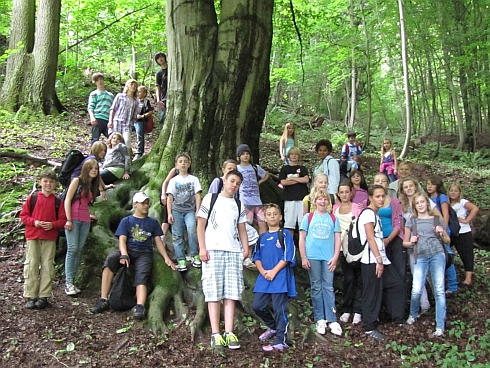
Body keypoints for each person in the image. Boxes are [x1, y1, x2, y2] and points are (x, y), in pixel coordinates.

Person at [90, 192, 176, 319]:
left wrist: (166, 258)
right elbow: (122, 240)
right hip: (129, 249)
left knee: (142, 275)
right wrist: (124, 254)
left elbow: (158, 241)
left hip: (144, 253)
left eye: (147, 203)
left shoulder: (152, 222)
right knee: (110, 260)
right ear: (135, 204)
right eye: (142, 203)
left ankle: (139, 306)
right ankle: (103, 299)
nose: (145, 206)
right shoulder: (127, 221)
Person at [197, 170, 249, 350]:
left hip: (233, 251)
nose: (234, 185)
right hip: (213, 250)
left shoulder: (238, 204)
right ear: (224, 180)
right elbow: (200, 225)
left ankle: (229, 332)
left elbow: (242, 228)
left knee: (231, 293)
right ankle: (215, 333)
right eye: (232, 181)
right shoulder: (210, 199)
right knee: (213, 292)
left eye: (238, 183)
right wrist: (202, 248)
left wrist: (245, 248)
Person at [359, 185, 405, 341]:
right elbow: (370, 238)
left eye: (382, 196)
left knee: (396, 284)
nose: (380, 199)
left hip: (381, 258)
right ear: (370, 198)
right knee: (371, 293)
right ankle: (369, 327)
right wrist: (378, 260)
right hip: (371, 260)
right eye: (377, 196)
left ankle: (396, 317)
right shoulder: (368, 214)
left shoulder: (376, 214)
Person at [403, 192, 449, 337]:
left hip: (437, 254)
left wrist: (442, 233)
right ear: (414, 206)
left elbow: (448, 241)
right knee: (416, 288)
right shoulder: (412, 221)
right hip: (420, 256)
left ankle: (440, 326)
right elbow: (405, 243)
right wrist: (412, 241)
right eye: (418, 203)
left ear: (427, 203)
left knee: (439, 289)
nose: (421, 205)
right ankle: (413, 314)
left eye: (423, 202)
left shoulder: (436, 219)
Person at [20, 169, 67, 309]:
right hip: (33, 235)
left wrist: (52, 224)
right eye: (45, 181)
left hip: (49, 237)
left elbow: (63, 220)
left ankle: (44, 295)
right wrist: (34, 222)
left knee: (48, 265)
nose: (48, 184)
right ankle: (31, 294)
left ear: (55, 184)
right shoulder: (33, 198)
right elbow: (23, 216)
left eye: (51, 182)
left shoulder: (58, 201)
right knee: (31, 264)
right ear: (40, 182)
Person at [252, 204, 296, 352]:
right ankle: (272, 327)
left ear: (280, 217)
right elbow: (256, 256)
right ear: (265, 217)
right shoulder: (262, 237)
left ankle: (280, 340)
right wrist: (263, 271)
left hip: (280, 277)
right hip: (264, 277)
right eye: (269, 214)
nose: (272, 216)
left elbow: (288, 256)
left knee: (279, 309)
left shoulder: (284, 235)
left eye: (275, 214)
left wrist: (274, 271)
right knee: (257, 305)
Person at [299, 190, 343, 337]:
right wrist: (304, 257)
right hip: (312, 257)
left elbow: (338, 238)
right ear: (314, 201)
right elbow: (302, 238)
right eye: (319, 199)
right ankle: (320, 318)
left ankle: (332, 319)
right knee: (316, 286)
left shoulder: (333, 218)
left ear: (329, 202)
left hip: (328, 257)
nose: (322, 202)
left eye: (325, 199)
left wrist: (336, 256)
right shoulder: (308, 217)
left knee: (328, 286)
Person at [64, 159, 105, 295]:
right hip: (73, 219)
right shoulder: (77, 181)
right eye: (91, 168)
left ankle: (73, 281)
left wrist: (89, 215)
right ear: (86, 169)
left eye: (96, 168)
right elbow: (68, 200)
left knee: (79, 249)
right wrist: (68, 219)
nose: (94, 170)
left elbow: (85, 203)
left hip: (85, 220)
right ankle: (68, 282)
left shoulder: (91, 184)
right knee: (72, 248)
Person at [373, 173, 407, 321]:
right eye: (377, 181)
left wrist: (388, 239)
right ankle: (383, 309)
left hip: (394, 241)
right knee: (382, 275)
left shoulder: (395, 202)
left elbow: (398, 224)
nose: (380, 183)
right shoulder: (371, 202)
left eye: (383, 181)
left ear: (388, 184)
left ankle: (399, 311)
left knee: (400, 274)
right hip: (377, 244)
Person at [333, 181, 362, 325]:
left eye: (346, 192)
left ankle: (358, 310)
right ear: (338, 194)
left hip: (355, 249)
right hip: (341, 248)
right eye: (341, 192)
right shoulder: (335, 208)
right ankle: (347, 309)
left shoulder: (357, 208)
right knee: (348, 278)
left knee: (358, 278)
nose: (344, 195)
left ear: (351, 193)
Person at [167, 153, 202, 271]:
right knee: (177, 235)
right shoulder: (173, 181)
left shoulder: (194, 179)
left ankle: (194, 255)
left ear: (189, 164)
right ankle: (181, 259)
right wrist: (169, 213)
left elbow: (197, 195)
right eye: (180, 161)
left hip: (189, 210)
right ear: (176, 164)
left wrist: (198, 210)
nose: (183, 163)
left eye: (185, 161)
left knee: (192, 230)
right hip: (176, 210)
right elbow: (170, 197)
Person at [426, 175, 458, 294]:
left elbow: (445, 215)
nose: (429, 186)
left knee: (447, 256)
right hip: (432, 230)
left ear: (437, 186)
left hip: (443, 230)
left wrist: (443, 230)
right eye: (428, 184)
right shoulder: (427, 198)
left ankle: (453, 285)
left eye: (432, 184)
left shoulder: (441, 197)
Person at [236, 143, 269, 237]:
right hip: (245, 201)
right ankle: (249, 244)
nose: (245, 156)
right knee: (247, 225)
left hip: (257, 201)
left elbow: (266, 174)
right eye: (243, 154)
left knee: (262, 222)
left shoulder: (255, 167)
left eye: (247, 153)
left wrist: (260, 182)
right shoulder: (237, 168)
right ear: (239, 156)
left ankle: (262, 243)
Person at [448, 184, 479, 286]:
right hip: (451, 232)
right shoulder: (446, 204)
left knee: (466, 254)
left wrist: (466, 220)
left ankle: (468, 278)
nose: (453, 192)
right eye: (451, 190)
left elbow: (475, 208)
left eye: (455, 191)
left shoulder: (462, 202)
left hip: (463, 231)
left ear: (459, 193)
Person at [278, 147, 309, 237]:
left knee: (302, 223)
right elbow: (283, 182)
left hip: (302, 198)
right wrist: (299, 179)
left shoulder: (303, 168)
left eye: (296, 154)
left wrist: (291, 179)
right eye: (292, 154)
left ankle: (302, 245)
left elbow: (306, 179)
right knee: (289, 224)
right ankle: (290, 246)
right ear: (288, 156)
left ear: (299, 156)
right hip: (289, 198)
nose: (294, 156)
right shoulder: (285, 169)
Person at [108, 79, 139, 147]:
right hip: (117, 122)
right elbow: (113, 109)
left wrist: (131, 123)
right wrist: (110, 121)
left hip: (127, 125)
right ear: (127, 85)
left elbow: (134, 115)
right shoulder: (120, 96)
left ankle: (127, 157)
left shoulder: (136, 101)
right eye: (131, 84)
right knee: (114, 142)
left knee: (126, 141)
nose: (133, 86)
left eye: (135, 85)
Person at [88, 73, 114, 145]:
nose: (100, 81)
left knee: (112, 138)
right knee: (95, 139)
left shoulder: (110, 95)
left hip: (107, 120)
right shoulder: (94, 94)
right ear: (95, 82)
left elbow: (113, 109)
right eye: (97, 80)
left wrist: (111, 120)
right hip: (98, 118)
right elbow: (91, 107)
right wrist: (92, 118)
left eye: (101, 79)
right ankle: (93, 155)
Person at [312, 139, 340, 205]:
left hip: (327, 195)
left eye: (325, 150)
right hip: (318, 194)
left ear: (329, 151)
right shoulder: (320, 163)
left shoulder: (332, 162)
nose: (322, 152)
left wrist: (332, 196)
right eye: (320, 150)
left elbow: (335, 179)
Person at [133, 86, 153, 160]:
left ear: (144, 94)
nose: (138, 93)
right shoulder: (134, 100)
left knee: (139, 136)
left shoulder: (145, 102)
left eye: (140, 92)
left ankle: (139, 152)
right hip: (133, 120)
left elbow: (150, 111)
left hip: (140, 121)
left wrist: (142, 116)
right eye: (137, 91)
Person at [155, 52, 168, 129]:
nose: (160, 59)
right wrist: (158, 100)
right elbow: (158, 87)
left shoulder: (172, 68)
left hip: (175, 96)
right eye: (158, 58)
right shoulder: (159, 73)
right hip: (164, 98)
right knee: (162, 118)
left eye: (161, 57)